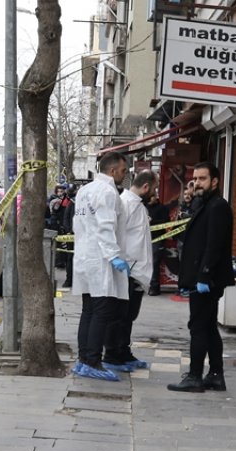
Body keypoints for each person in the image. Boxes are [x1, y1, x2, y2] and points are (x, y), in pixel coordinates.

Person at [167, 161, 235, 393]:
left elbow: (214, 245)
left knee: (198, 327)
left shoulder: (218, 207)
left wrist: (204, 276)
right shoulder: (205, 204)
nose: (197, 182)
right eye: (195, 178)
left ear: (215, 181)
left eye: (202, 178)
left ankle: (195, 376)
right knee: (208, 327)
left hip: (207, 278)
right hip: (202, 276)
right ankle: (216, 375)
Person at [70, 152, 131, 381]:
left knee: (88, 310)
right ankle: (93, 360)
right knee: (101, 312)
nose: (125, 176)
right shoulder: (107, 192)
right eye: (124, 171)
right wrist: (114, 255)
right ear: (113, 170)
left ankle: (84, 359)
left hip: (85, 257)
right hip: (100, 258)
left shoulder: (85, 190)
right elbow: (105, 227)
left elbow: (78, 223)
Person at [103, 171, 156, 372]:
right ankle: (112, 354)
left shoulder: (138, 206)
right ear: (146, 186)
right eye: (154, 188)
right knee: (119, 316)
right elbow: (116, 235)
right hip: (127, 269)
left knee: (129, 316)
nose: (155, 192)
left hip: (137, 270)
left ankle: (123, 352)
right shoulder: (125, 204)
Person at [146, 193, 172, 296]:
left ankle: (154, 287)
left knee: (154, 263)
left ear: (156, 197)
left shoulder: (163, 208)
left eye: (151, 197)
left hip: (157, 239)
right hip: (145, 239)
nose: (149, 199)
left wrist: (152, 222)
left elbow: (166, 222)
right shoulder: (144, 207)